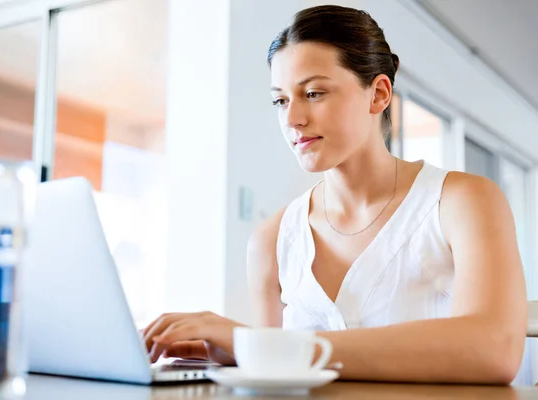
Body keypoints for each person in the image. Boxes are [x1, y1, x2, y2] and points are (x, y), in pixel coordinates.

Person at [143, 5, 527, 384]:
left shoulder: (463, 201)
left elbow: (494, 350)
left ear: (378, 95)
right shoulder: (272, 239)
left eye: (313, 93)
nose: (292, 118)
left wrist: (271, 345)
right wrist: (237, 351)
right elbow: (272, 372)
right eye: (280, 100)